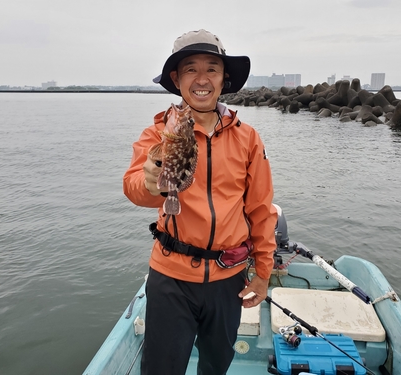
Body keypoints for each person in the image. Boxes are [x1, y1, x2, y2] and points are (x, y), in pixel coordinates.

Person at [123, 29, 277, 375]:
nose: (202, 78)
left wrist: (263, 273)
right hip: (170, 279)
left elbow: (261, 209)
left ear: (224, 79)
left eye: (212, 68)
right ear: (177, 80)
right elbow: (134, 186)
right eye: (190, 69)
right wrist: (152, 183)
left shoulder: (248, 139)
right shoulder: (160, 133)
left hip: (228, 277)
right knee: (161, 368)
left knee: (217, 363)